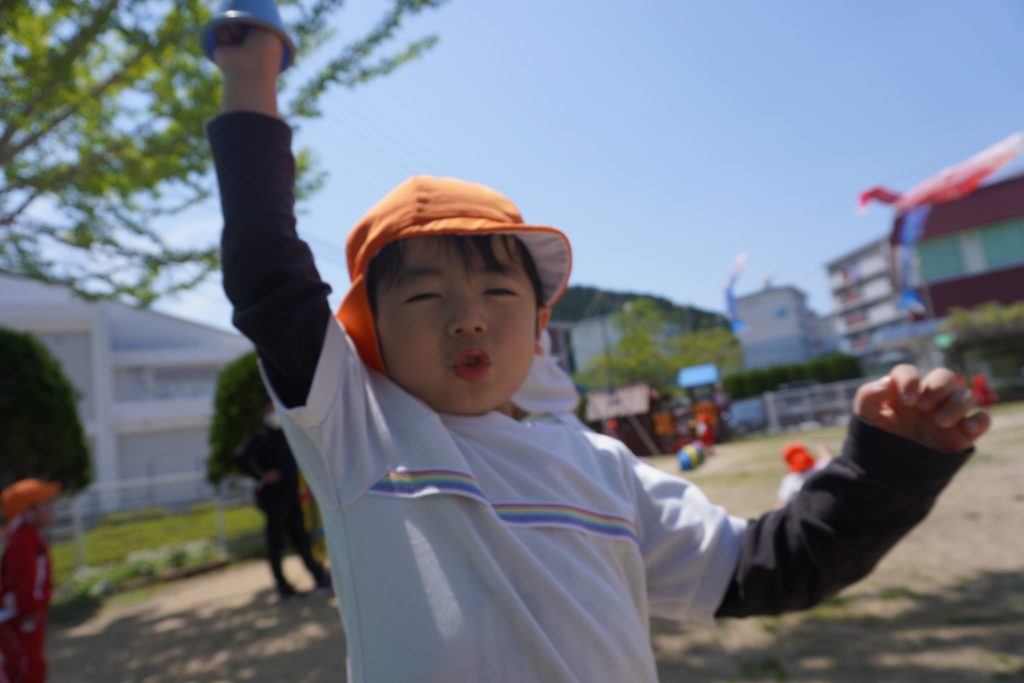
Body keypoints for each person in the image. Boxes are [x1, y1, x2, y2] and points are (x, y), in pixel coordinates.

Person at [205, 27, 991, 682]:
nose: (467, 319)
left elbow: (771, 564)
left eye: (497, 292)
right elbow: (267, 270)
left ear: (540, 325)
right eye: (424, 296)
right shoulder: (362, 434)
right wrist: (251, 72)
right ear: (367, 334)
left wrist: (888, 466)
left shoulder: (609, 472)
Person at [234, 403, 332, 600]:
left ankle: (320, 578)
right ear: (263, 412)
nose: (274, 413)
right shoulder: (261, 435)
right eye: (269, 409)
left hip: (291, 495)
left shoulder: (285, 433)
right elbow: (240, 456)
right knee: (276, 542)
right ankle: (283, 587)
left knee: (302, 538)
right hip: (274, 499)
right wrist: (261, 476)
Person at [0, 479, 59, 683]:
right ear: (28, 511)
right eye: (46, 504)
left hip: (27, 613)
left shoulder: (31, 537)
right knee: (26, 665)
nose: (52, 508)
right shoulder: (24, 540)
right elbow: (24, 579)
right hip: (17, 615)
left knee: (30, 662)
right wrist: (29, 609)